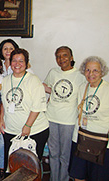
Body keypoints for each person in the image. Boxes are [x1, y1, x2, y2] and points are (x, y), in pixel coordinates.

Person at [0, 48, 49, 176]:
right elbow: (4, 102)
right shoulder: (5, 80)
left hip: (34, 131)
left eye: (21, 61)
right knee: (11, 166)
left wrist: (28, 126)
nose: (17, 64)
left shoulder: (33, 80)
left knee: (31, 169)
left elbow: (37, 106)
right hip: (11, 130)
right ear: (10, 63)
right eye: (14, 60)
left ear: (27, 64)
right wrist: (1, 119)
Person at [43, 46, 85, 181]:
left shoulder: (80, 75)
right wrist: (52, 92)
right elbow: (45, 86)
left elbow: (84, 94)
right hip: (51, 117)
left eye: (64, 55)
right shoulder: (53, 72)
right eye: (58, 56)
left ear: (71, 57)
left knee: (65, 155)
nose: (61, 59)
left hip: (69, 120)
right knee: (53, 154)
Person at [69, 56, 109, 181]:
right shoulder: (82, 88)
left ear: (102, 72)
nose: (91, 74)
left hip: (101, 143)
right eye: (87, 70)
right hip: (80, 139)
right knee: (78, 176)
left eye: (95, 70)